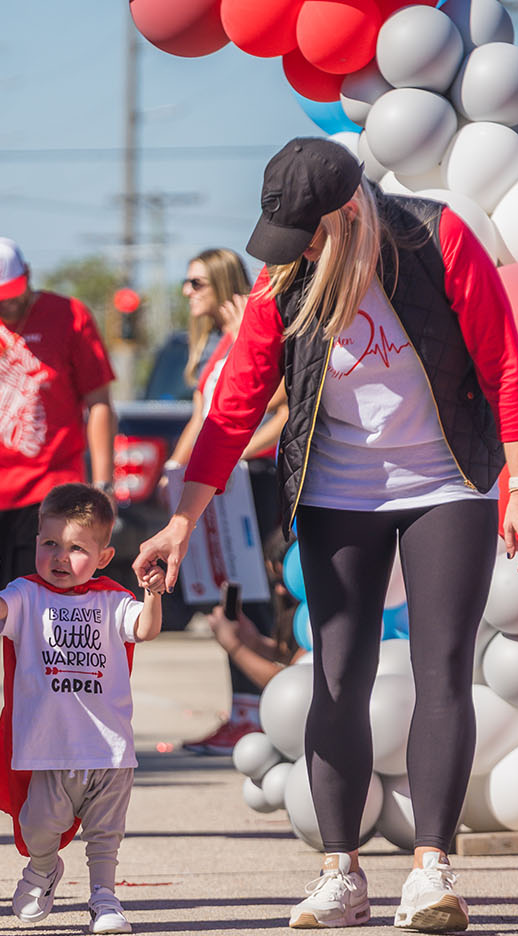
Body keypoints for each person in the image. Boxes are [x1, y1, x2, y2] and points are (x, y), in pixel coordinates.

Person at [134, 138, 518, 934]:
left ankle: (431, 868)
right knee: (337, 672)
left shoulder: (437, 239)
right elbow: (232, 409)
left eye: (309, 236)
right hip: (335, 491)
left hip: (446, 481)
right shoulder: (282, 279)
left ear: (348, 213)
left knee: (441, 668)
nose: (296, 255)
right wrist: (181, 521)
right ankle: (340, 873)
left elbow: (503, 365)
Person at [0, 236, 117, 758]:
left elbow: (98, 402)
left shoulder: (69, 316)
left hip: (49, 491)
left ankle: (52, 715)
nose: (6, 306)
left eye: (13, 293)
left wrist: (101, 486)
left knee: (51, 604)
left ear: (29, 275)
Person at [0, 483, 163, 933]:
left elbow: (146, 630)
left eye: (76, 548)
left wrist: (154, 593)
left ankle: (104, 899)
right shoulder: (26, 593)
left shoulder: (113, 601)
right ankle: (43, 867)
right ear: (36, 542)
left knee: (105, 836)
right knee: (38, 825)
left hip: (108, 748)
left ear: (104, 557)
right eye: (50, 544)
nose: (59, 557)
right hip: (49, 746)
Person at [165, 248, 290, 754]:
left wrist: (235, 455)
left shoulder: (248, 334)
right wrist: (176, 468)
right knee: (228, 592)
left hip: (254, 482)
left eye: (196, 283)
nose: (187, 292)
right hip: (224, 483)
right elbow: (202, 416)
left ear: (221, 284)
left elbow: (278, 404)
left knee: (253, 592)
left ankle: (264, 711)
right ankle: (242, 711)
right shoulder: (216, 345)